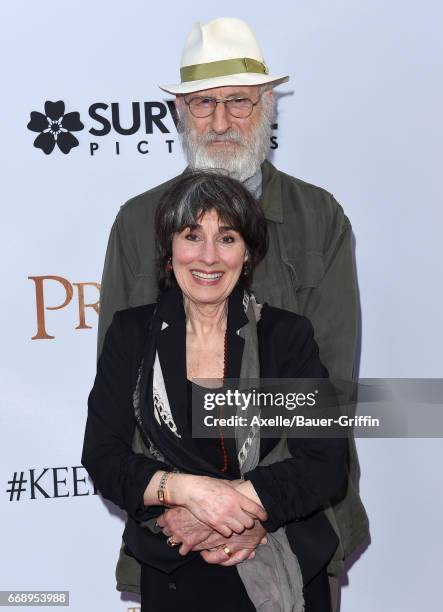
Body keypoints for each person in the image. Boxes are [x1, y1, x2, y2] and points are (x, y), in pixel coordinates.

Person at [96, 17, 369, 606]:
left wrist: (251, 509)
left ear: (268, 104)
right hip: (173, 535)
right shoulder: (136, 222)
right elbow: (125, 404)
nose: (220, 121)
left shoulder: (318, 217)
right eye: (202, 103)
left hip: (294, 527)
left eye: (238, 101)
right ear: (178, 112)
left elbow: (330, 396)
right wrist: (188, 507)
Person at [83, 171, 348, 611]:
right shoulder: (132, 335)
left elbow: (324, 462)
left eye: (227, 238)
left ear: (247, 255)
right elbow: (104, 456)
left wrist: (229, 509)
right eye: (192, 236)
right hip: (175, 564)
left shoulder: (286, 336)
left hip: (279, 560)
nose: (208, 257)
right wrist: (189, 493)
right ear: (169, 250)